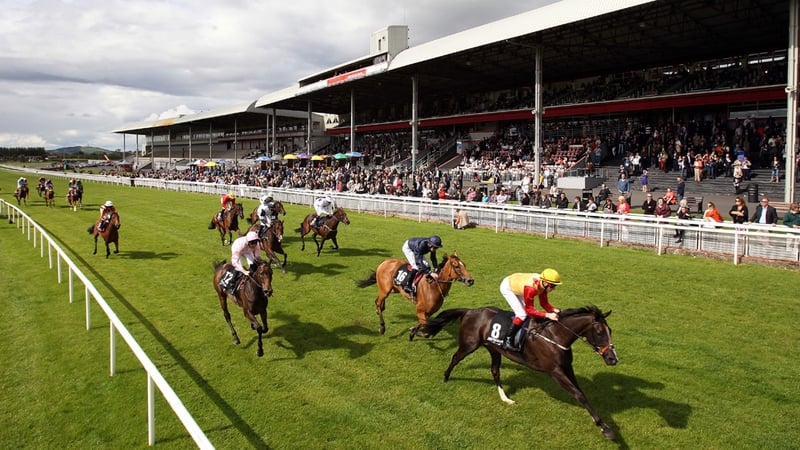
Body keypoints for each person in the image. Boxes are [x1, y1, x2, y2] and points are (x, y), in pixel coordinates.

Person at [499, 269, 562, 351]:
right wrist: (548, 315)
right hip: (508, 287)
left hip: (518, 284)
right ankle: (507, 341)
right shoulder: (531, 288)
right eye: (553, 286)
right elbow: (529, 310)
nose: (554, 289)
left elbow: (544, 303)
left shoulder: (542, 285)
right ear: (546, 283)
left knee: (527, 314)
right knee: (522, 314)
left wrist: (554, 310)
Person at [219, 231, 265, 295]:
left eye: (255, 242)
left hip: (247, 251)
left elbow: (257, 257)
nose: (254, 245)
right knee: (238, 268)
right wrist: (244, 271)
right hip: (238, 248)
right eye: (252, 243)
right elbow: (235, 262)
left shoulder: (256, 245)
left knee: (253, 264)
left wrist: (263, 263)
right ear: (248, 241)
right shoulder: (239, 246)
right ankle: (231, 284)